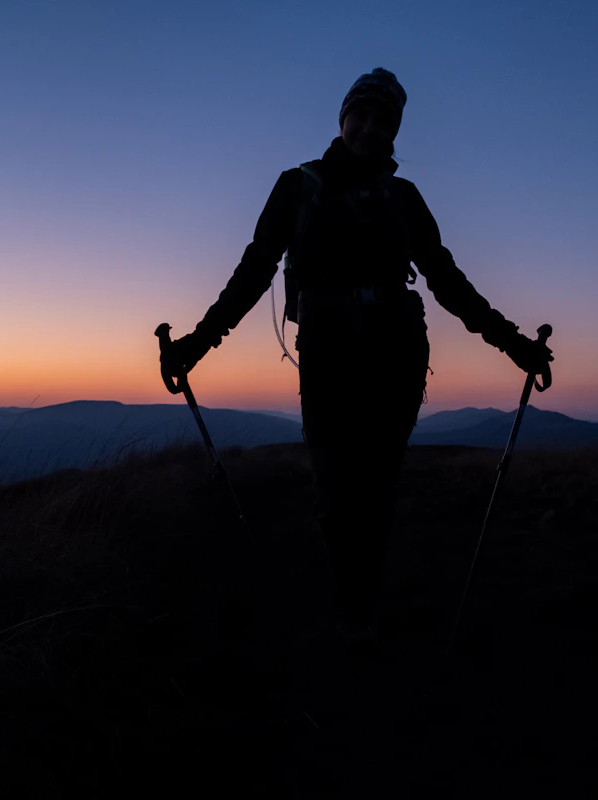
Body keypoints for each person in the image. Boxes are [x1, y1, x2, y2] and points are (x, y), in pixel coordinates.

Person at [161, 67, 552, 640]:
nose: (370, 127)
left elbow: (447, 281)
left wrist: (515, 344)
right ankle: (356, 605)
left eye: (383, 120)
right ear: (342, 118)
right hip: (330, 353)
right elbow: (252, 273)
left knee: (375, 485)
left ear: (394, 132)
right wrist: (198, 343)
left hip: (396, 355)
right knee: (335, 486)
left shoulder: (404, 197)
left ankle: (358, 607)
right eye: (361, 115)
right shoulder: (296, 186)